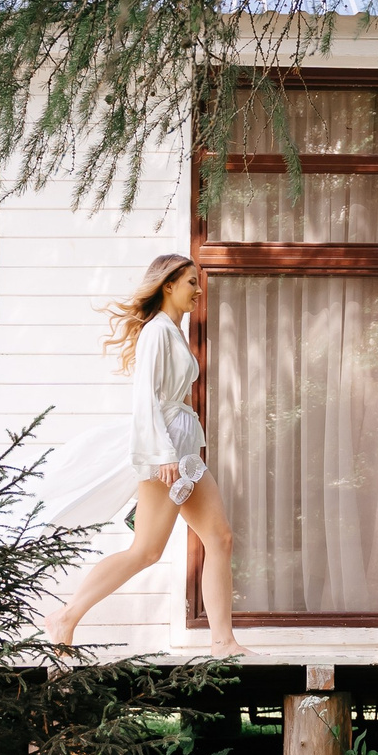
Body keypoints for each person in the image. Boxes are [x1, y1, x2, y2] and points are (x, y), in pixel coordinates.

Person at [44, 254, 246, 656]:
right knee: (147, 550)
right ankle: (66, 616)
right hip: (167, 451)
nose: (198, 290)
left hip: (185, 452)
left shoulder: (174, 330)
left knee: (220, 538)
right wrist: (162, 454)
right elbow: (145, 400)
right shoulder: (157, 331)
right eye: (192, 282)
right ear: (168, 285)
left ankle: (224, 642)